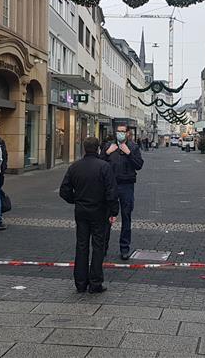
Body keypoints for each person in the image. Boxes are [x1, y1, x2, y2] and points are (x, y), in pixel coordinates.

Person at [60, 137, 119, 293]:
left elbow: (64, 191)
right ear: (98, 148)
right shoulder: (104, 167)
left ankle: (80, 282)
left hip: (81, 211)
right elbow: (111, 192)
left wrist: (76, 200)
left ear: (85, 149)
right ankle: (95, 282)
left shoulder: (75, 167)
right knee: (98, 246)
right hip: (100, 211)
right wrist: (114, 211)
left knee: (81, 245)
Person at [101, 123, 144, 260]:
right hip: (110, 186)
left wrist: (129, 153)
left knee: (126, 217)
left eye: (122, 131)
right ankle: (103, 247)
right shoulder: (108, 146)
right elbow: (99, 163)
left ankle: (124, 248)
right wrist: (107, 153)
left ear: (127, 133)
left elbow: (139, 165)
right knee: (106, 217)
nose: (119, 133)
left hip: (126, 186)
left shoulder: (133, 147)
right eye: (118, 131)